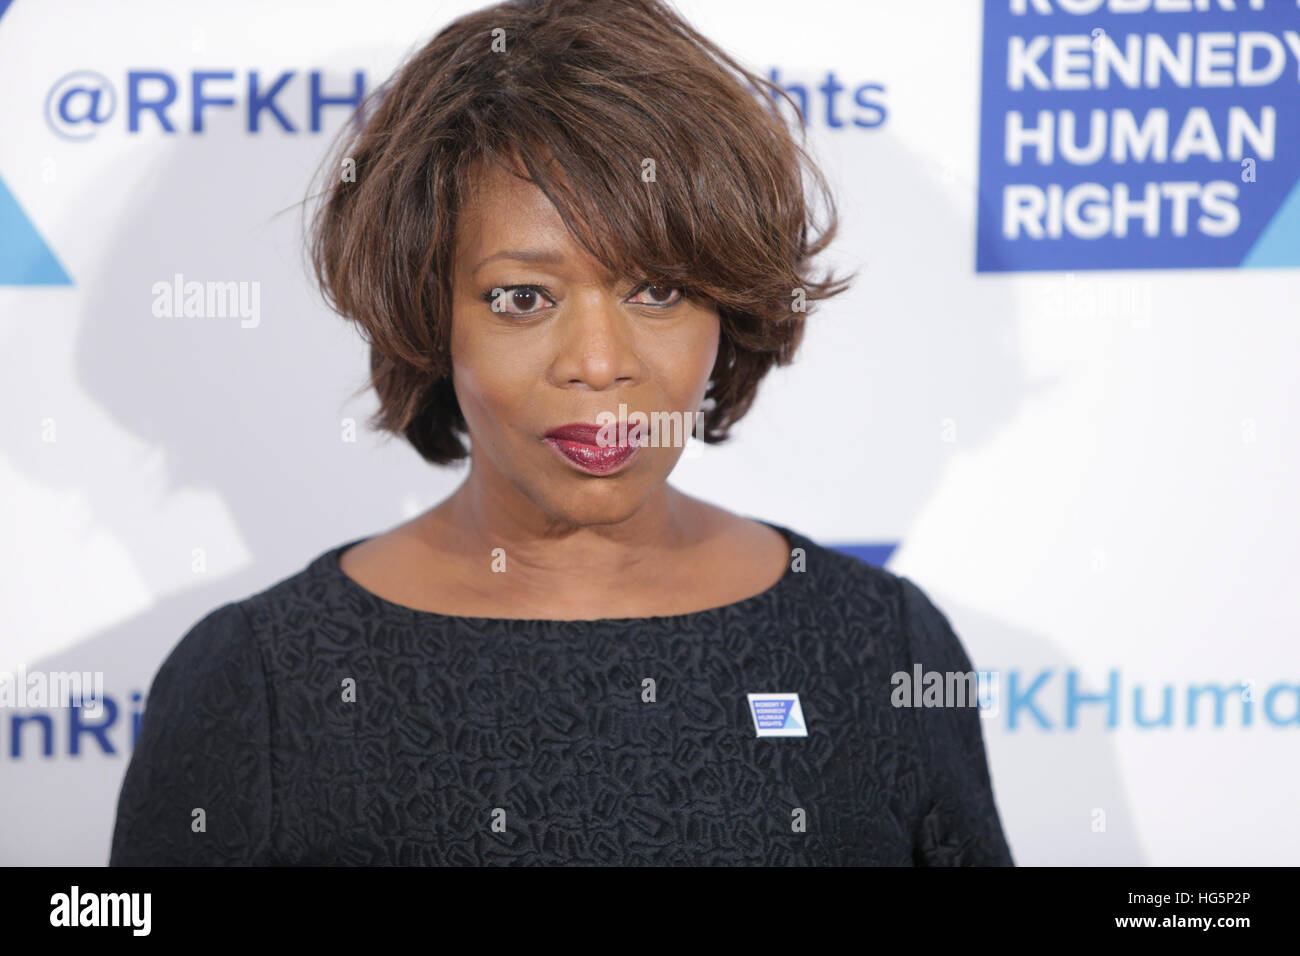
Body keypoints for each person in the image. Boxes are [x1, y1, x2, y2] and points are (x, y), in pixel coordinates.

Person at [109, 0, 1013, 865]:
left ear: (728, 307)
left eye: (657, 291)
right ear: (432, 318)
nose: (596, 362)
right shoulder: (261, 682)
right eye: (523, 298)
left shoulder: (879, 645)